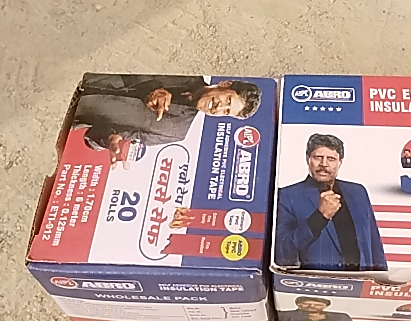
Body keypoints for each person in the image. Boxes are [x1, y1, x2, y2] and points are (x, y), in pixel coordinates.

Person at [74, 74, 262, 164]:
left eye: (226, 112)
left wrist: (109, 139)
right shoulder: (185, 67)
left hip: (71, 112)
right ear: (225, 84)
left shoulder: (174, 132)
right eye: (227, 100)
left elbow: (93, 137)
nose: (219, 108)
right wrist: (153, 89)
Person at [275, 133, 387, 271]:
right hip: (316, 281)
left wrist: (381, 278)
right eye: (318, 157)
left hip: (360, 279)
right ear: (308, 159)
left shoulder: (358, 192)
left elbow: (374, 244)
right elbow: (281, 251)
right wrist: (320, 217)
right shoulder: (286, 195)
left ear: (340, 162)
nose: (324, 164)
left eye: (331, 159)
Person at [278, 296, 356, 321]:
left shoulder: (341, 317)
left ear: (325, 306)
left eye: (318, 305)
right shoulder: (285, 314)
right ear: (298, 304)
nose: (312, 306)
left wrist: (325, 319)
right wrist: (307, 318)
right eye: (306, 304)